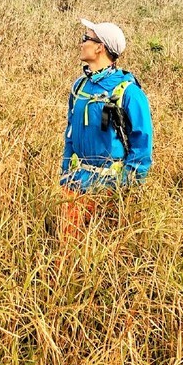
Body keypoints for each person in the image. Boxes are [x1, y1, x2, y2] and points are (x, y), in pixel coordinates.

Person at [59, 18, 153, 240]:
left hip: (110, 188)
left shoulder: (129, 92)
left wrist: (127, 185)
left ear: (100, 47)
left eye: (86, 39)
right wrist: (65, 173)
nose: (81, 43)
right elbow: (70, 131)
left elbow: (142, 142)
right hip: (75, 184)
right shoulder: (79, 86)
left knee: (106, 252)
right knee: (67, 249)